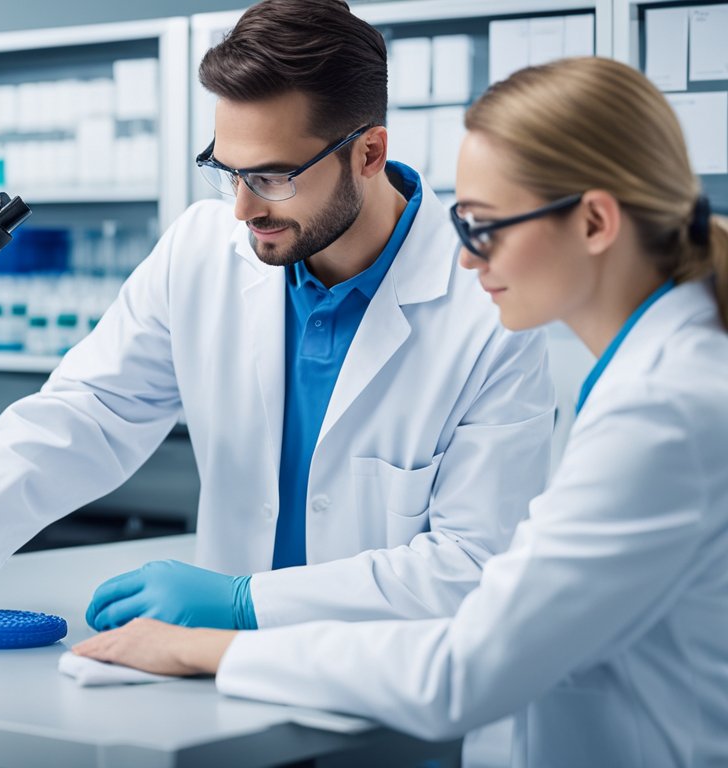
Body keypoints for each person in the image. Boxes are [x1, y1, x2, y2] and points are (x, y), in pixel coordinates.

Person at [0, 0, 553, 643]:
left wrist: (245, 602)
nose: (241, 208)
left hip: (396, 694)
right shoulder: (205, 250)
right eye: (227, 170)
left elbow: (473, 565)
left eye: (270, 177)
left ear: (369, 152)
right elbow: (94, 409)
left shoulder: (491, 306)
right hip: (221, 678)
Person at [73, 56, 728, 767]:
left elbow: (463, 670)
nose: (469, 262)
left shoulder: (665, 410)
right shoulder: (660, 375)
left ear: (596, 221)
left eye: (484, 227)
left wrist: (212, 645)